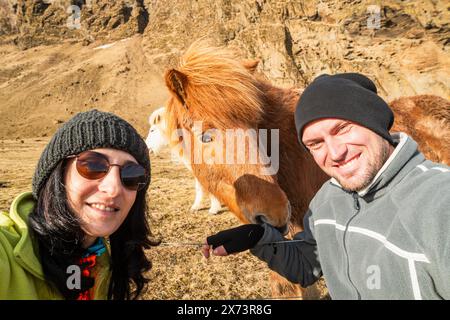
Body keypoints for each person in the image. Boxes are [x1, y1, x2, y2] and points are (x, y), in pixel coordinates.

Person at [201, 73, 450, 300]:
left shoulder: (440, 200)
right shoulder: (328, 199)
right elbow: (307, 265)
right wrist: (259, 239)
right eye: (316, 143)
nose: (335, 152)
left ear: (374, 121)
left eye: (342, 129)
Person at [0, 109, 159, 300]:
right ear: (57, 173)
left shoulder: (101, 261)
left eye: (131, 175)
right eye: (93, 165)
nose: (114, 188)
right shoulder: (6, 251)